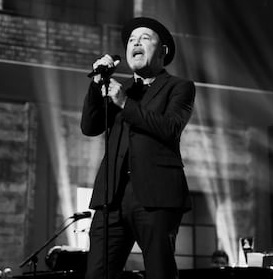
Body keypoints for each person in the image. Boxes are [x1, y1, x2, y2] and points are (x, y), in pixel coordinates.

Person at [81, 17, 196, 279]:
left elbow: (170, 127)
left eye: (145, 38)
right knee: (97, 273)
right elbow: (89, 127)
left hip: (156, 197)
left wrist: (124, 103)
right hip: (112, 197)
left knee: (159, 272)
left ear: (163, 51)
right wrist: (96, 83)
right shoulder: (120, 91)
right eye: (132, 40)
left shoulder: (179, 87)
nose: (136, 42)